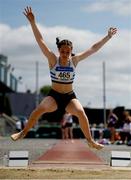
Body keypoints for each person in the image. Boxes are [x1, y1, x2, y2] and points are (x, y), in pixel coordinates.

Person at [11, 6, 117, 150]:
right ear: (59, 51)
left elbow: (93, 48)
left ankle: (90, 141)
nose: (65, 54)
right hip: (54, 96)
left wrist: (108, 36)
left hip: (69, 97)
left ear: (71, 51)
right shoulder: (52, 59)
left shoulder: (75, 60)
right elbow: (40, 41)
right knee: (38, 110)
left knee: (81, 113)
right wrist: (33, 23)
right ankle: (22, 133)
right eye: (63, 51)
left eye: (68, 51)